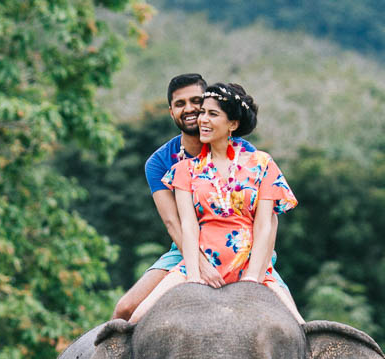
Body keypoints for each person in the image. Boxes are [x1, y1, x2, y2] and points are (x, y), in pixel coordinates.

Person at [61, 81, 352, 359]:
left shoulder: (261, 163)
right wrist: (195, 276)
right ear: (172, 110)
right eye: (187, 107)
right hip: (192, 258)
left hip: (254, 264)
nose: (198, 115)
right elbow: (182, 226)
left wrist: (254, 276)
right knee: (130, 319)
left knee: (304, 337)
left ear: (231, 122)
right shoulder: (176, 166)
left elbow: (267, 224)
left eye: (206, 109)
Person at [111, 72, 295, 321]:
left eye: (197, 103)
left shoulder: (251, 157)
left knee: (296, 327)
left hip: (246, 247)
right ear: (171, 112)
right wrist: (199, 266)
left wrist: (255, 270)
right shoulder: (163, 163)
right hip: (187, 247)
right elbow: (174, 223)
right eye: (179, 104)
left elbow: (268, 220)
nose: (190, 110)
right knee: (125, 310)